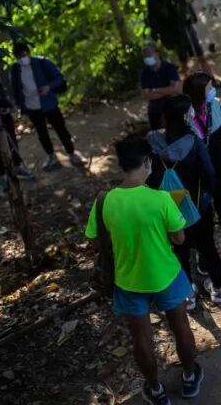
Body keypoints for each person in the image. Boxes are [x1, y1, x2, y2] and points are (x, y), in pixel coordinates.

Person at [85, 135, 202, 405]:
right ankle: (188, 377)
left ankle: (156, 390)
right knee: (181, 326)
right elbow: (180, 239)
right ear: (148, 162)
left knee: (141, 339)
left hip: (128, 281)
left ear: (122, 166)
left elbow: (94, 240)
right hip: (167, 275)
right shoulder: (161, 199)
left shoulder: (105, 201)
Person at [146, 95, 221, 306]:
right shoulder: (195, 143)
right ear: (183, 116)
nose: (193, 112)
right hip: (197, 205)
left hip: (169, 208)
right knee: (207, 247)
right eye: (190, 110)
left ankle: (188, 295)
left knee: (179, 250)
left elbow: (151, 178)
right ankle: (218, 289)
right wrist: (205, 197)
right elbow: (209, 175)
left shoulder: (153, 143)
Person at [184, 73, 221, 269]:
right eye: (209, 88)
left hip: (220, 169)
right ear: (197, 92)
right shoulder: (185, 115)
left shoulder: (216, 105)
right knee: (202, 213)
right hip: (198, 175)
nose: (213, 91)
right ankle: (204, 249)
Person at [8, 42, 85, 171]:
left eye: (23, 55)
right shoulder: (15, 69)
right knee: (42, 133)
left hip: (48, 103)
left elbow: (59, 77)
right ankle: (51, 156)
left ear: (28, 52)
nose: (22, 58)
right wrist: (18, 106)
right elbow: (15, 89)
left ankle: (71, 153)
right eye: (19, 57)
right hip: (32, 107)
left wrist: (48, 87)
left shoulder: (41, 63)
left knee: (61, 129)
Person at [140, 42, 182, 131]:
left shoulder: (169, 68)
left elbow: (176, 89)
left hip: (172, 103)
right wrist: (168, 90)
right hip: (155, 108)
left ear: (157, 54)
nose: (147, 58)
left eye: (149, 55)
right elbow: (147, 96)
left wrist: (154, 90)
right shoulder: (144, 74)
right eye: (144, 57)